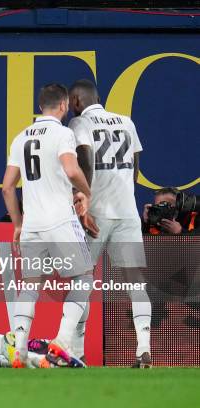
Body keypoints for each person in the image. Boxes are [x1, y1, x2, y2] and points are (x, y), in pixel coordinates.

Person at [2, 83, 94, 368]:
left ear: (41, 106)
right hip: (60, 221)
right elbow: (70, 169)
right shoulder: (63, 133)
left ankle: (18, 348)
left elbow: (7, 187)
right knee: (83, 278)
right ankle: (62, 341)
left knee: (29, 285)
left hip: (32, 226)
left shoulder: (20, 138)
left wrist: (18, 224)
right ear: (64, 105)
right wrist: (86, 192)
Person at [68, 79, 152, 368]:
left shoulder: (79, 123)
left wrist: (84, 197)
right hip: (127, 211)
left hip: (96, 214)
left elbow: (86, 157)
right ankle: (143, 348)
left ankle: (77, 352)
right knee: (136, 282)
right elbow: (136, 165)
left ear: (77, 101)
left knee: (81, 278)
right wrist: (127, 191)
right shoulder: (127, 122)